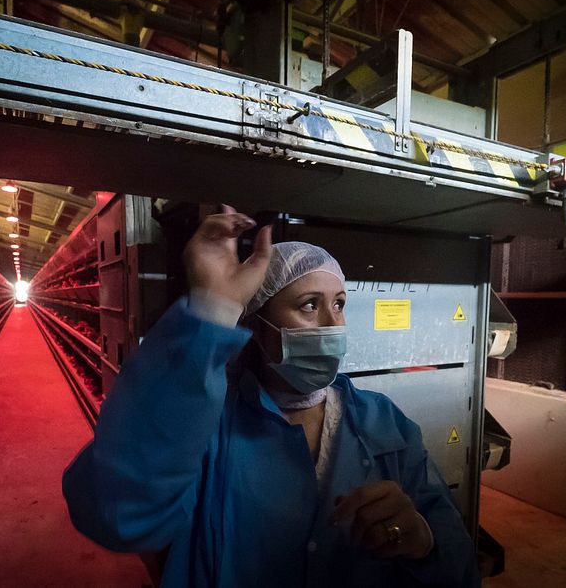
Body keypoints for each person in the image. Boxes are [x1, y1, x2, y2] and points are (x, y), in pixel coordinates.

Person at [63, 207, 480, 587]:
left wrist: (423, 540)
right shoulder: (206, 430)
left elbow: (458, 563)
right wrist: (212, 311)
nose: (333, 324)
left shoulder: (383, 421)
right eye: (309, 306)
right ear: (259, 326)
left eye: (339, 304)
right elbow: (119, 515)